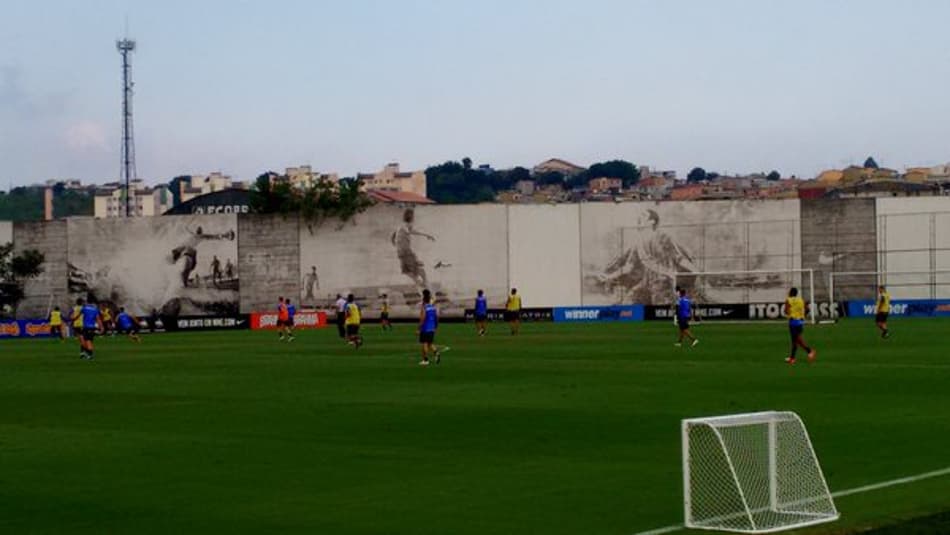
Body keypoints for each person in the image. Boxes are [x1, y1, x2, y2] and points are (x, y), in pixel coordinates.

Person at [391, 208, 435, 289]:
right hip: (405, 252)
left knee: (408, 271)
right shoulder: (404, 226)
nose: (414, 219)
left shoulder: (401, 227)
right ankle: (423, 283)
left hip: (401, 253)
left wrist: (426, 235)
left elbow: (394, 236)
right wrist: (426, 235)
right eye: (413, 217)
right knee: (414, 271)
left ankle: (421, 283)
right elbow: (408, 230)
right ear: (411, 218)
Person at [784, 287, 816, 364]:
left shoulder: (788, 300)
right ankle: (793, 357)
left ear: (790, 293)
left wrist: (791, 313)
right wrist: (802, 316)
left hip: (793, 322)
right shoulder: (801, 300)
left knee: (795, 340)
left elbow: (786, 311)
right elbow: (807, 309)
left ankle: (809, 352)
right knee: (797, 340)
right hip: (800, 322)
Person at [418, 289, 441, 366]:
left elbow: (423, 318)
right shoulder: (433, 307)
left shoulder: (424, 307)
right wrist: (436, 327)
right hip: (432, 328)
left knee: (424, 344)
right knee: (430, 343)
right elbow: (436, 317)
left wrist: (419, 328)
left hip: (425, 328)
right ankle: (436, 352)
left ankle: (425, 360)